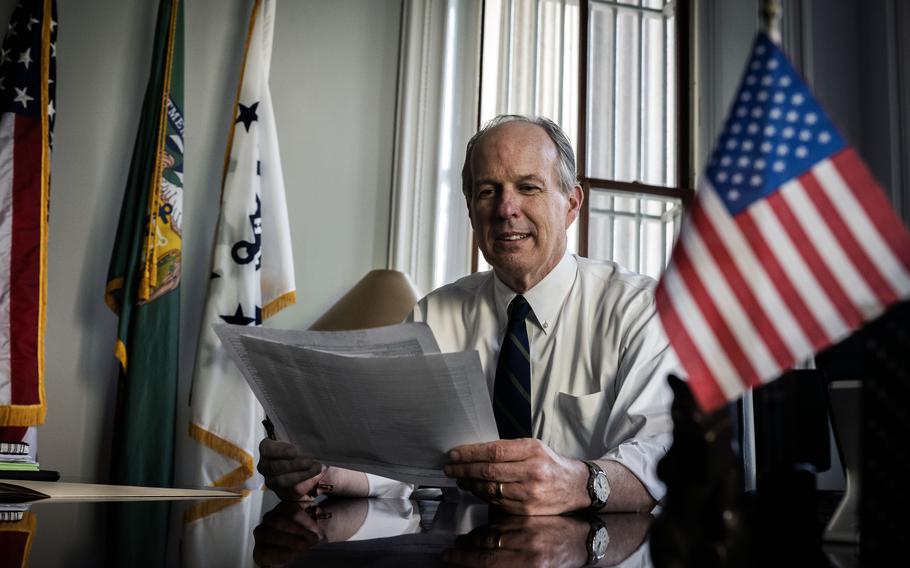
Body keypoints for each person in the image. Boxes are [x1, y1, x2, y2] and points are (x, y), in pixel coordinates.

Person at [259, 115, 675, 515]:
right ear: (470, 208)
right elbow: (399, 459)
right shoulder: (434, 316)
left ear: (571, 203)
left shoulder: (638, 310)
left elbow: (660, 456)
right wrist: (322, 472)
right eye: (487, 190)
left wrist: (578, 482)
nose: (506, 208)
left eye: (528, 187)